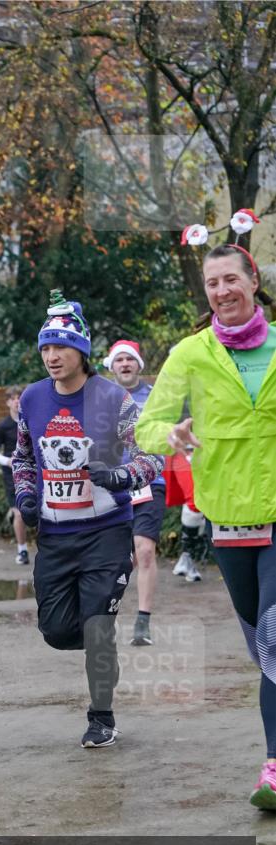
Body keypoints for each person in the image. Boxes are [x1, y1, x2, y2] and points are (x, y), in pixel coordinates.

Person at [136, 239, 276, 811]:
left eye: (230, 280)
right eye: (212, 283)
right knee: (259, 646)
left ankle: (274, 769)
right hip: (229, 520)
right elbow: (147, 425)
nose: (221, 291)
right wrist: (169, 436)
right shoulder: (190, 354)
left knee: (275, 638)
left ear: (254, 280)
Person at [12, 290, 163, 748]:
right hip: (55, 537)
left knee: (97, 626)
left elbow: (152, 456)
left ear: (82, 351)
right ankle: (104, 644)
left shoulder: (112, 398)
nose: (51, 356)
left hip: (105, 533)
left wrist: (120, 475)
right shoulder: (33, 400)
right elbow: (21, 458)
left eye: (60, 346)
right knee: (57, 631)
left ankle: (102, 716)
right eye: (45, 347)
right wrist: (26, 494)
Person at [104, 340, 166, 645]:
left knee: (144, 550)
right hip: (113, 485)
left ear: (139, 365)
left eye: (130, 359)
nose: (125, 364)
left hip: (149, 482)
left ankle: (143, 622)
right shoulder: (102, 398)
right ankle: (105, 618)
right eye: (120, 360)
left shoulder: (155, 398)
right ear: (112, 366)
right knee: (116, 558)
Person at [0, 385, 29, 564]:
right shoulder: (3, 426)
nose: (17, 401)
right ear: (8, 402)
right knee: (19, 513)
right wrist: (7, 461)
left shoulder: (32, 421)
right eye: (13, 398)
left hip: (34, 473)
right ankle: (22, 551)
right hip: (12, 475)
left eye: (20, 397)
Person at [164, 451, 205, 582]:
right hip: (182, 448)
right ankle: (188, 556)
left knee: (201, 502)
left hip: (211, 446)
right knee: (194, 501)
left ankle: (188, 557)